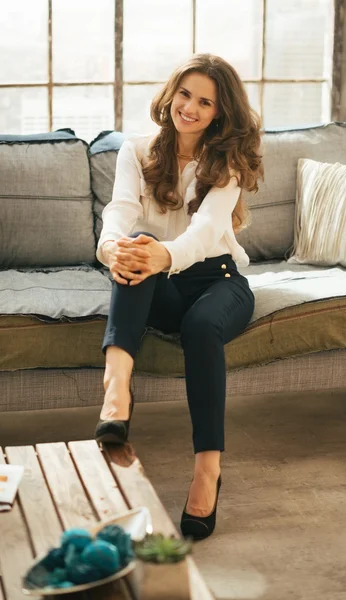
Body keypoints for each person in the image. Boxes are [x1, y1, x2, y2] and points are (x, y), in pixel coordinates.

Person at [95, 53, 263, 540]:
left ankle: (207, 470)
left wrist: (159, 255)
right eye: (185, 94)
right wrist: (112, 249)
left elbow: (207, 231)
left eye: (204, 101)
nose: (189, 107)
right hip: (158, 277)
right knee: (133, 254)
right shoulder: (136, 149)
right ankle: (116, 391)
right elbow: (121, 209)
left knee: (199, 324)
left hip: (219, 280)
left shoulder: (226, 163)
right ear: (171, 94)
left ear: (218, 113)